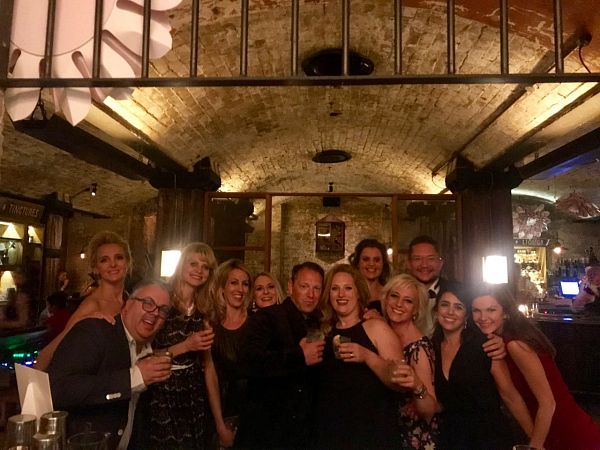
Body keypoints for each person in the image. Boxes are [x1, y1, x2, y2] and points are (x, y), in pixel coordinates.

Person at [47, 280, 173, 450]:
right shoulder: (95, 331)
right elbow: (58, 389)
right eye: (148, 303)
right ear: (127, 305)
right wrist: (133, 378)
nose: (155, 313)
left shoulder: (150, 351)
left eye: (163, 310)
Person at [472, 285, 600, 450]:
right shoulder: (503, 339)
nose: (483, 317)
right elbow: (512, 397)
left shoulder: (515, 344)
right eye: (476, 311)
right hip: (548, 424)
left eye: (491, 310)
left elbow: (548, 403)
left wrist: (536, 445)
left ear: (505, 312)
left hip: (564, 427)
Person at [146, 242, 234, 449]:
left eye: (205, 267)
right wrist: (186, 346)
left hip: (193, 396)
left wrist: (220, 423)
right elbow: (142, 355)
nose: (199, 270)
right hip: (161, 393)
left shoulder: (203, 309)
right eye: (193, 264)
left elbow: (208, 367)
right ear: (181, 265)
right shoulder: (162, 300)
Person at [235, 262, 326, 449]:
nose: (311, 294)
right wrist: (299, 356)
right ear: (290, 286)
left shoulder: (317, 322)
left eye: (316, 288)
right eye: (304, 286)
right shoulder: (267, 317)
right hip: (267, 433)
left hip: (301, 433)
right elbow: (247, 362)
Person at [432, 285, 533, 450]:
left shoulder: (486, 346)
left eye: (458, 307)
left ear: (466, 315)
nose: (450, 312)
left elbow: (510, 396)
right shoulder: (432, 348)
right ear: (436, 310)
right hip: (451, 437)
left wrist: (535, 441)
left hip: (489, 438)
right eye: (445, 305)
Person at [313, 264, 403, 450]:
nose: (341, 294)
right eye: (335, 289)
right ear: (328, 294)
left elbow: (399, 381)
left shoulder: (376, 328)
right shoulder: (324, 333)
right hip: (331, 434)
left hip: (371, 434)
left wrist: (367, 356)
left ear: (358, 293)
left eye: (348, 288)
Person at [36, 231, 131, 371]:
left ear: (127, 262)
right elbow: (50, 351)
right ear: (96, 268)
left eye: (119, 257)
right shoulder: (92, 305)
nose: (113, 264)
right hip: (95, 380)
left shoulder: (129, 299)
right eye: (104, 260)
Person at [383, 274, 439, 449]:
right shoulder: (381, 332)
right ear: (385, 299)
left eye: (408, 301)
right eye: (394, 296)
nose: (399, 304)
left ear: (416, 310)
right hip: (385, 431)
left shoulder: (419, 349)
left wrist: (417, 386)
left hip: (413, 437)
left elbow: (430, 410)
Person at [210, 259, 252, 439]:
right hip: (219, 411)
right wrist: (220, 423)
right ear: (222, 288)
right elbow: (210, 378)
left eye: (245, 284)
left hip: (251, 412)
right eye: (234, 283)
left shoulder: (257, 324)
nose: (240, 289)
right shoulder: (210, 326)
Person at [405, 235, 449, 334]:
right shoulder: (398, 295)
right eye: (417, 259)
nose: (424, 265)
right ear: (408, 264)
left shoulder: (458, 292)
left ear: (440, 263)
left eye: (431, 259)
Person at [348, 238, 391, 312]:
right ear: (358, 263)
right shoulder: (348, 291)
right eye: (366, 259)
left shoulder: (390, 293)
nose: (371, 264)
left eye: (376, 260)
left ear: (383, 264)